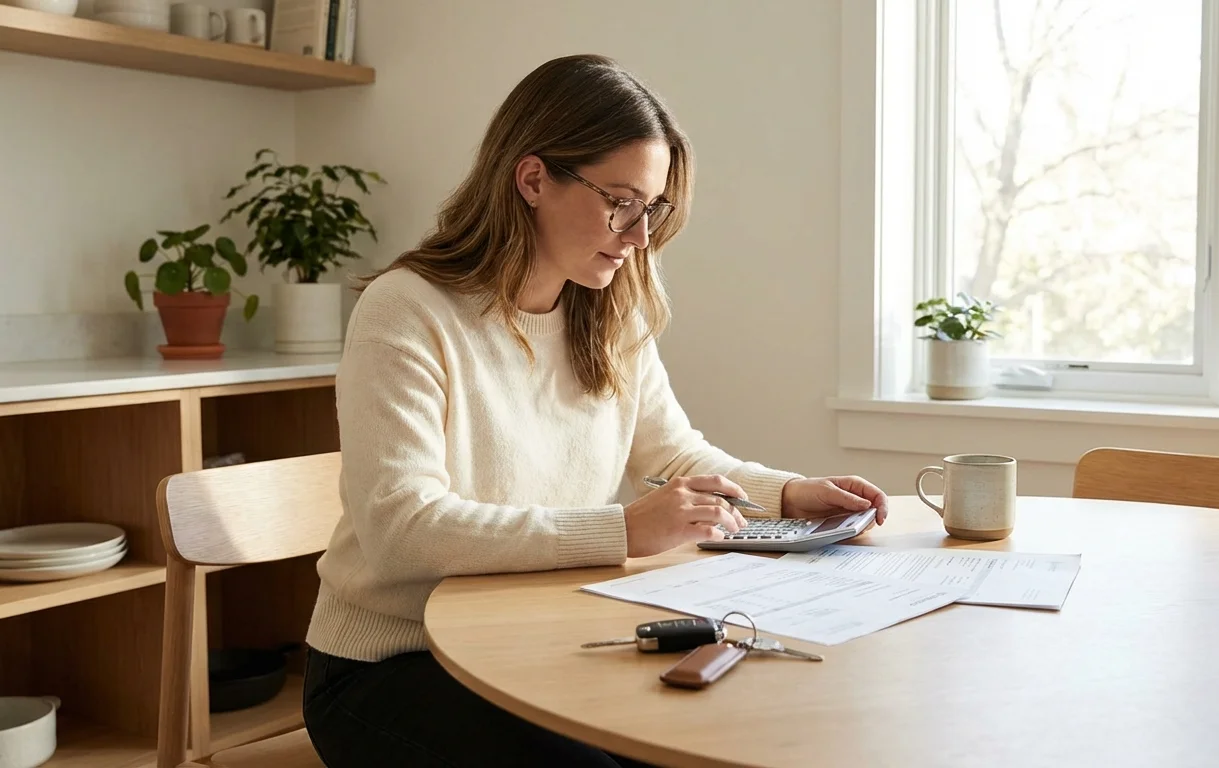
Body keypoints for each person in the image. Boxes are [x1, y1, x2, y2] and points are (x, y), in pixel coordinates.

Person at [300, 53, 890, 768]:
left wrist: (789, 496)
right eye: (621, 201)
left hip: (536, 644)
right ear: (532, 179)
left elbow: (671, 455)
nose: (639, 236)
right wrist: (623, 529)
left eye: (652, 207)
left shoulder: (609, 312)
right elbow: (402, 529)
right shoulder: (407, 311)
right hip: (390, 664)